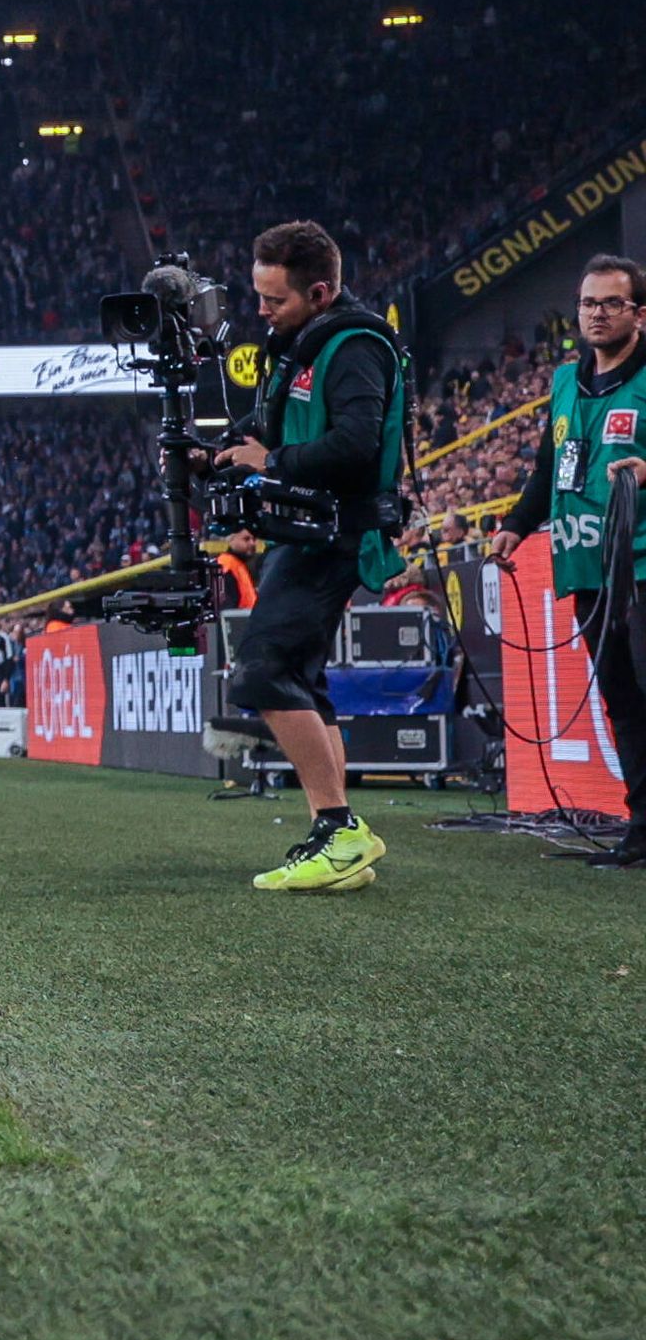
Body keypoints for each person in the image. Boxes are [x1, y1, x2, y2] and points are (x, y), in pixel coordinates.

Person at [213, 221, 411, 893]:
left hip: (336, 532)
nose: (261, 311)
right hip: (304, 531)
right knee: (300, 677)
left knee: (261, 672)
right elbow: (271, 426)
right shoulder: (300, 343)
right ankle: (335, 832)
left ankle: (339, 828)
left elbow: (357, 442)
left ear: (320, 291)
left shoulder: (353, 345)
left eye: (275, 300)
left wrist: (273, 460)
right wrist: (217, 447)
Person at [485, 254, 646, 863]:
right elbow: (550, 468)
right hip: (586, 564)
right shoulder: (561, 382)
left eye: (611, 303)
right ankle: (642, 828)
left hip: (643, 562)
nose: (597, 314)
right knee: (622, 700)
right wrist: (517, 526)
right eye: (587, 303)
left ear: (640, 314)